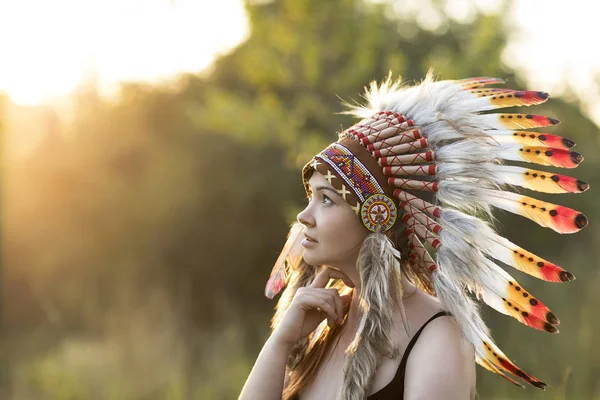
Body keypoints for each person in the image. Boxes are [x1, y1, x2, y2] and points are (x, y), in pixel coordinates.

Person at [239, 73, 589, 400]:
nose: (304, 217)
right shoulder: (320, 323)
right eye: (310, 197)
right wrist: (280, 342)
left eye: (327, 200)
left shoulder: (438, 337)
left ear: (377, 217)